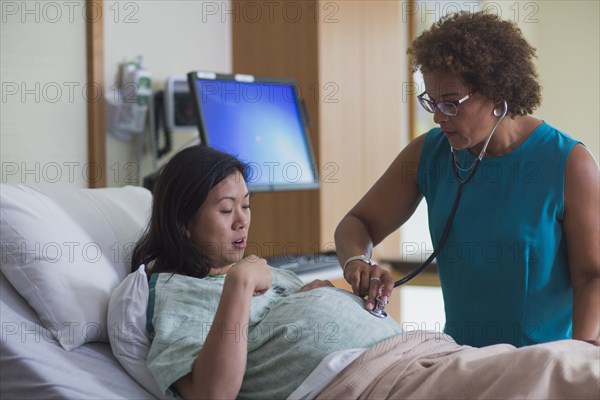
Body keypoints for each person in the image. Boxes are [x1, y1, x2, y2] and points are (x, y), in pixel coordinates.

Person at [335, 11, 600, 348]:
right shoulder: (428, 153)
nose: (437, 116)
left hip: (542, 365)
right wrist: (359, 261)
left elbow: (593, 276)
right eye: (431, 101)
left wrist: (577, 356)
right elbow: (357, 223)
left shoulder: (569, 163)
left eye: (450, 103)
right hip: (462, 364)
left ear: (496, 93)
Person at [131, 145, 403, 400]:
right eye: (226, 209)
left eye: (246, 206)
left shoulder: (262, 269)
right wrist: (240, 282)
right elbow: (211, 393)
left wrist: (311, 300)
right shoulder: (178, 293)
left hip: (406, 354)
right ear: (184, 223)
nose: (242, 221)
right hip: (374, 380)